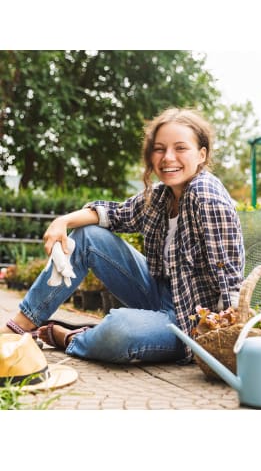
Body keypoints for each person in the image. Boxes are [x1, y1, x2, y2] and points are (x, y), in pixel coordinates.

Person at [0, 107, 245, 365]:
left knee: (120, 329)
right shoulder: (161, 196)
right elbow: (114, 214)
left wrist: (223, 343)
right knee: (88, 236)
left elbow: (229, 279)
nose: (168, 157)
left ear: (201, 154)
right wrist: (63, 221)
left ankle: (72, 338)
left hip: (190, 324)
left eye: (180, 148)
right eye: (159, 149)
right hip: (157, 293)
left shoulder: (206, 196)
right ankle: (22, 325)